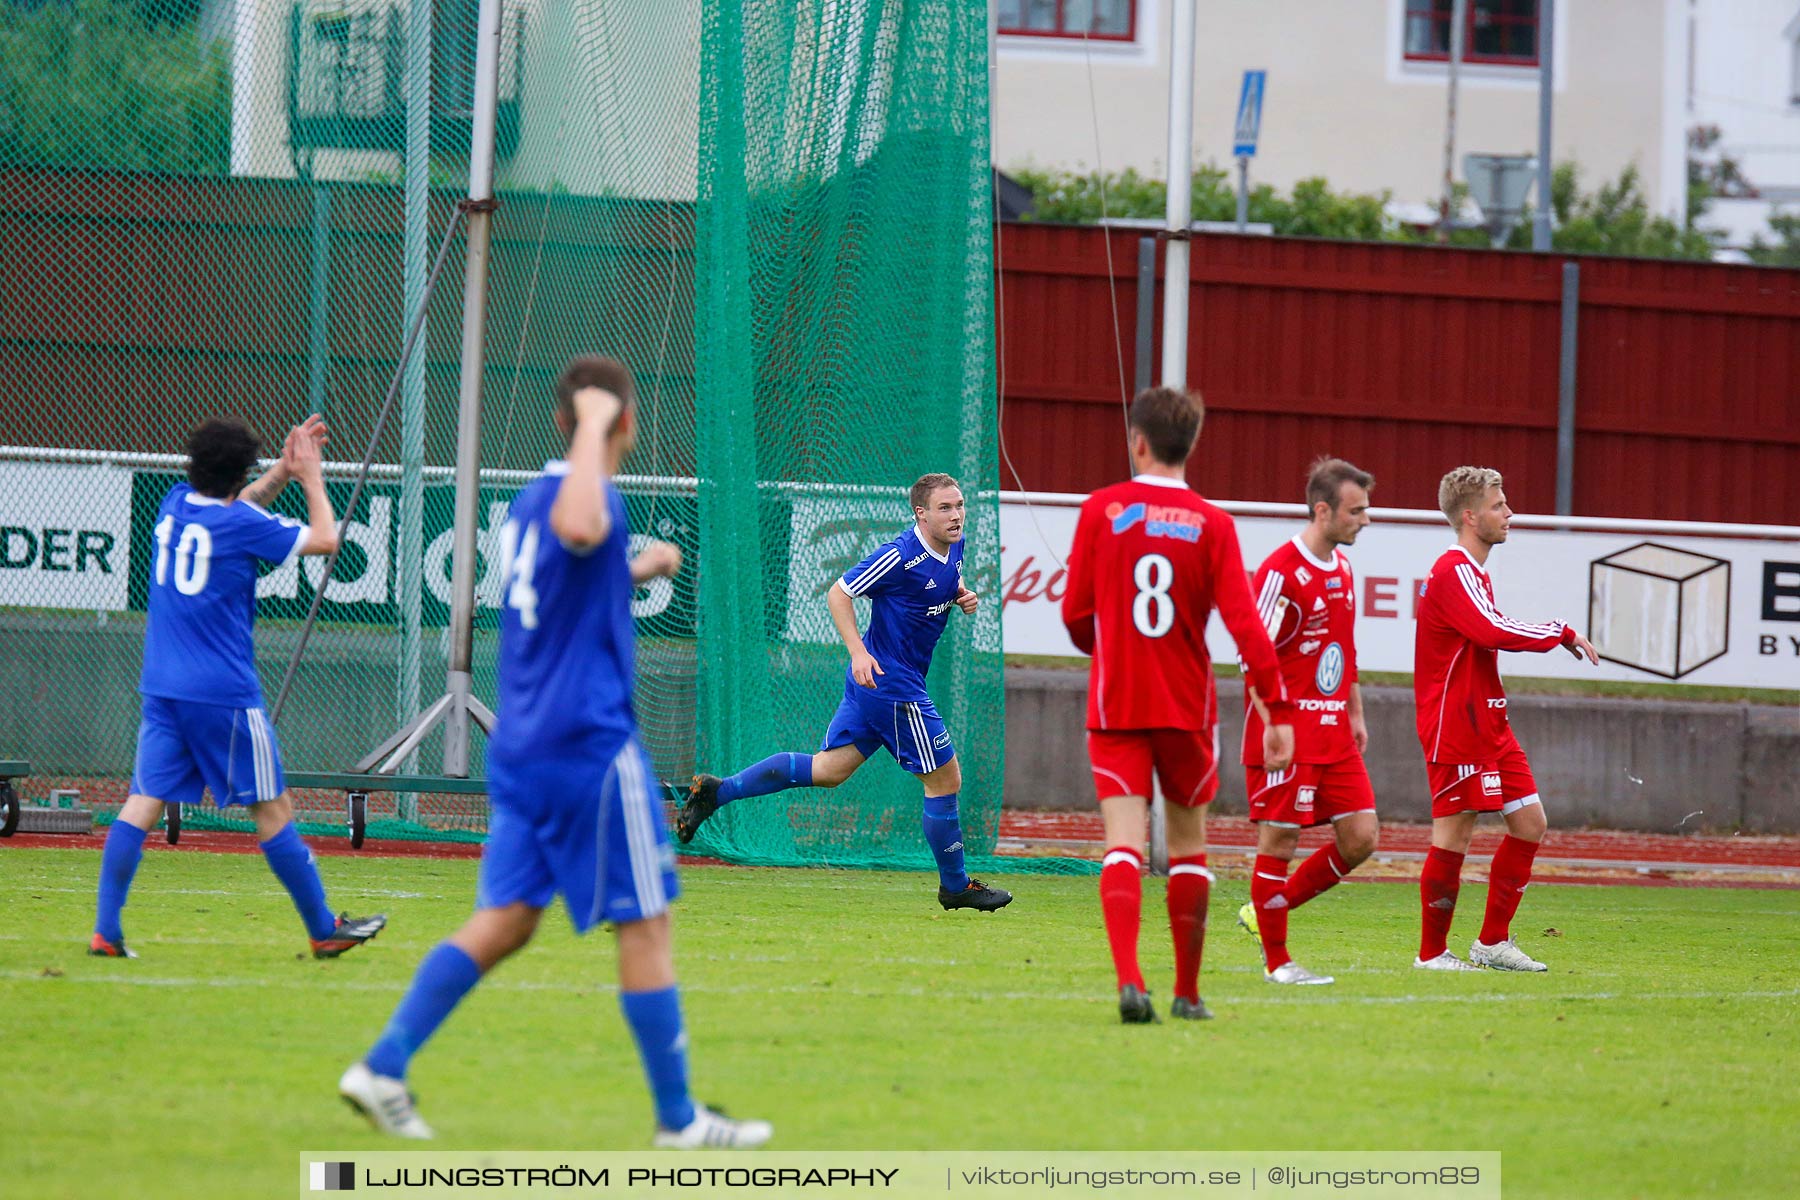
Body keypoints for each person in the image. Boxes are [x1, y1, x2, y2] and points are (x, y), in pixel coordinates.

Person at [338, 356, 770, 1147]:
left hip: (527, 748)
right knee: (646, 923)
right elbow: (581, 529)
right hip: (588, 749)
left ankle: (383, 1065)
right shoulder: (584, 494)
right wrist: (599, 426)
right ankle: (678, 1120)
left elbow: (566, 581)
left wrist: (640, 566)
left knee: (504, 921)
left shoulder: (528, 504)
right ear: (618, 419)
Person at [89, 415, 386, 960]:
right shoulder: (240, 526)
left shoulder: (175, 503)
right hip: (222, 695)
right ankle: (323, 928)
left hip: (163, 688)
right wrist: (311, 478)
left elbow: (237, 500)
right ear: (238, 473)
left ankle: (106, 930)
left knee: (141, 802)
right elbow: (325, 539)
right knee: (273, 810)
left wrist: (281, 471)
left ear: (192, 466)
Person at [1060, 387, 1296, 1024]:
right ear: (1191, 445)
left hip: (1117, 706)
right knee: (1190, 847)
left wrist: (1106, 647)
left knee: (1122, 845)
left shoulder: (1102, 509)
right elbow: (1247, 625)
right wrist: (1275, 709)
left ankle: (1130, 980)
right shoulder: (1214, 524)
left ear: (1138, 441)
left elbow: (1074, 617)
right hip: (1187, 709)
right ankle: (1188, 993)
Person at [675, 473, 1010, 914]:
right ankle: (955, 886)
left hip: (880, 683)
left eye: (960, 505)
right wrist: (857, 652)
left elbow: (927, 593)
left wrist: (959, 596)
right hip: (891, 683)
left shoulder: (955, 547)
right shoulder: (899, 554)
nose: (956, 515)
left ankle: (718, 792)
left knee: (830, 770)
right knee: (945, 779)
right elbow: (839, 593)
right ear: (920, 513)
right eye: (945, 508)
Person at [1413, 466, 1598, 972]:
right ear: (1470, 516)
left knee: (1530, 823)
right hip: (1457, 726)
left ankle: (1492, 942)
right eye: (1499, 505)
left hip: (1489, 722)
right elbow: (1488, 629)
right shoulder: (1452, 570)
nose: (1509, 513)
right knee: (1454, 836)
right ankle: (1431, 954)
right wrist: (1558, 631)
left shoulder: (1475, 572)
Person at [1235, 458, 1382, 986]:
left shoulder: (1341, 567)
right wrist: (1276, 721)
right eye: (1356, 510)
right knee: (1279, 842)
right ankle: (1278, 962)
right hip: (1288, 732)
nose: (1365, 520)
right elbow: (1253, 655)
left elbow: (1344, 648)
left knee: (1362, 836)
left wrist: (1355, 711)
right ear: (1323, 510)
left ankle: (1263, 912)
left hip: (1335, 730)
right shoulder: (1280, 571)